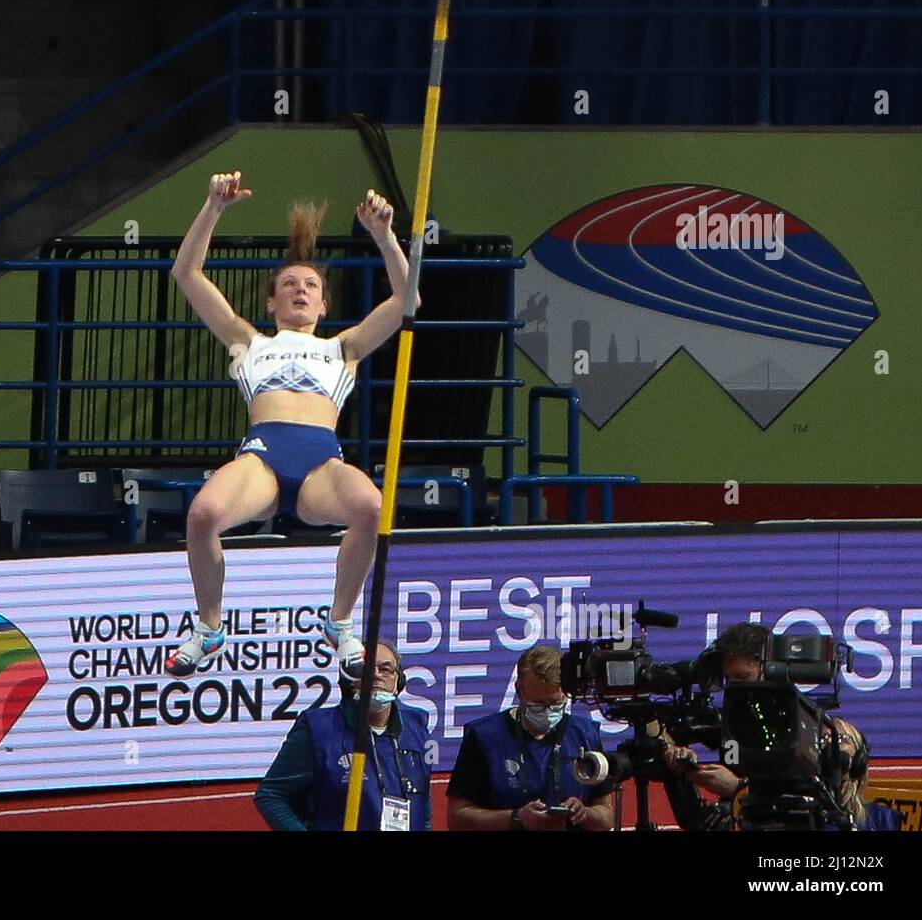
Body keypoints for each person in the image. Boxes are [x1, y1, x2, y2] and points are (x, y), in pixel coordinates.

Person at [164, 171, 418, 680]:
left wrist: (385, 235)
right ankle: (209, 626)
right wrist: (213, 207)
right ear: (271, 303)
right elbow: (186, 274)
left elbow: (406, 302)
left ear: (324, 305)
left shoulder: (344, 348)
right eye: (289, 285)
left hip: (321, 462)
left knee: (371, 507)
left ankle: (340, 623)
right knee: (203, 513)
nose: (300, 290)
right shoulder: (247, 340)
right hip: (261, 456)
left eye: (311, 286)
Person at [253, 640, 432, 830]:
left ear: (399, 682)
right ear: (348, 680)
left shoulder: (417, 725)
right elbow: (271, 795)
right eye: (365, 669)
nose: (376, 675)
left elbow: (423, 805)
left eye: (385, 669)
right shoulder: (317, 729)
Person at [446, 645, 614, 830]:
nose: (547, 712)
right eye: (537, 704)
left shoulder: (585, 734)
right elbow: (457, 817)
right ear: (519, 691)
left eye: (555, 704)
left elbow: (606, 817)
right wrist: (516, 818)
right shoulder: (484, 737)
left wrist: (585, 813)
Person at [661, 622, 770, 820]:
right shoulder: (730, 717)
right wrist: (674, 752)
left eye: (743, 678)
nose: (734, 687)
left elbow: (805, 799)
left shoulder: (798, 721)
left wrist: (738, 787)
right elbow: (660, 730)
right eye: (729, 679)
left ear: (769, 670)